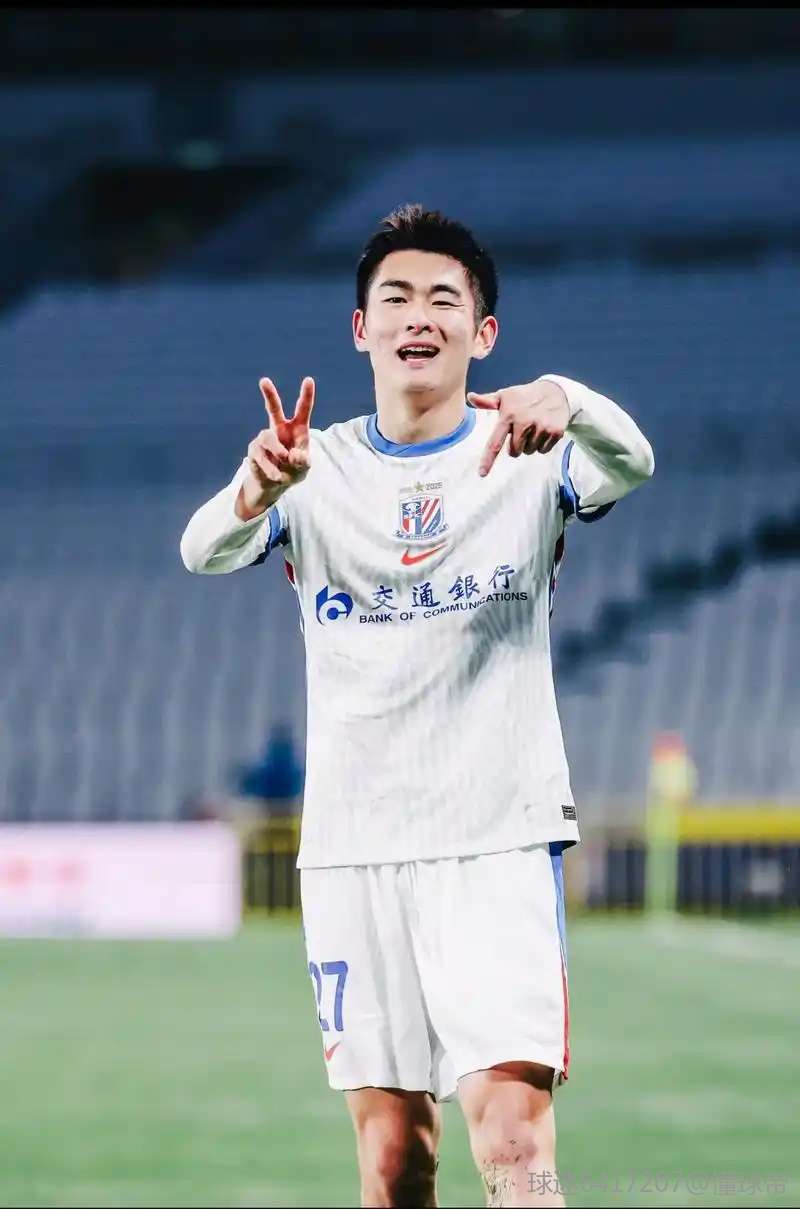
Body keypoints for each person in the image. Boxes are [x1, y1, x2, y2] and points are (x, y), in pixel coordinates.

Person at [180, 204, 655, 1208]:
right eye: (395, 297)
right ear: (362, 328)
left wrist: (569, 399)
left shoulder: (529, 449)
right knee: (396, 1160)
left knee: (514, 1138)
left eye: (444, 298)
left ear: (482, 332)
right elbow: (202, 550)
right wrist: (257, 488)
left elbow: (632, 462)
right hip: (354, 844)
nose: (419, 315)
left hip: (496, 834)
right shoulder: (311, 464)